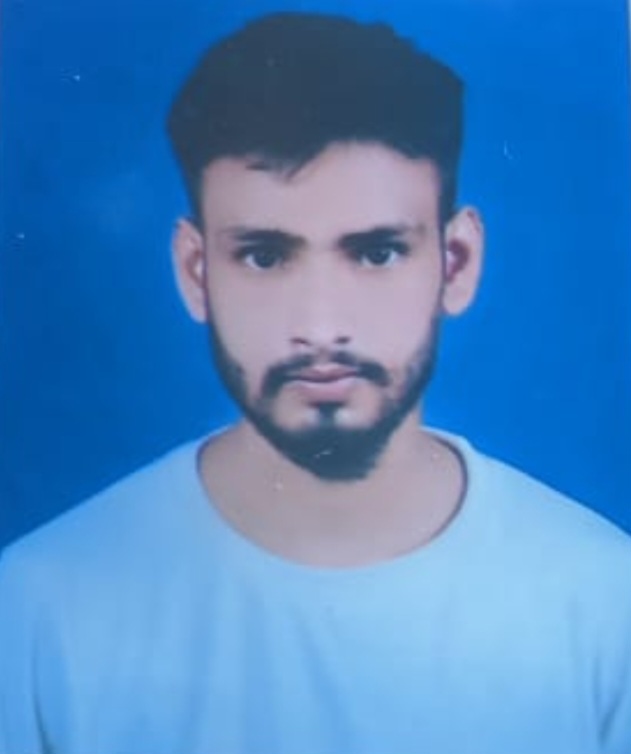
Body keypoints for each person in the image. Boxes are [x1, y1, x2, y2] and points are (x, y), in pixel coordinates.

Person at [1, 11, 630, 754]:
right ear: (195, 272)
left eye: (376, 253)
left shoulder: (604, 605)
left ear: (455, 262)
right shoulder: (37, 611)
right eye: (265, 256)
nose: (321, 326)